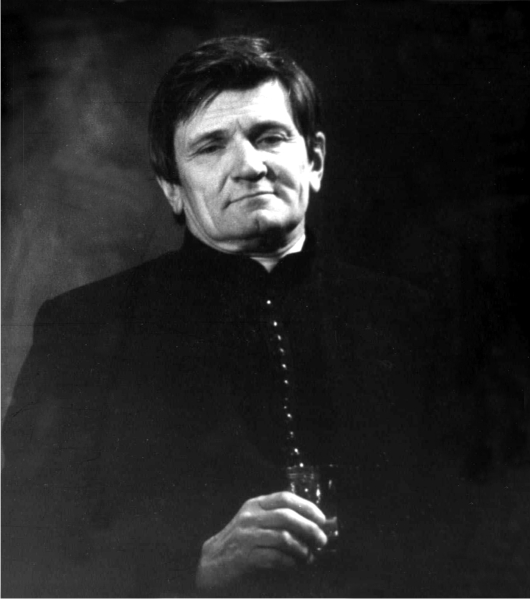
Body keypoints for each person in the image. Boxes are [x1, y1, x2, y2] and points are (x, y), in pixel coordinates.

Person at [2, 36, 477, 597]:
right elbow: (25, 549)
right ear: (173, 189)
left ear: (315, 160)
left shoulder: (415, 323)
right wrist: (194, 569)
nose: (250, 166)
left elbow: (483, 532)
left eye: (269, 137)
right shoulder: (83, 328)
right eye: (210, 147)